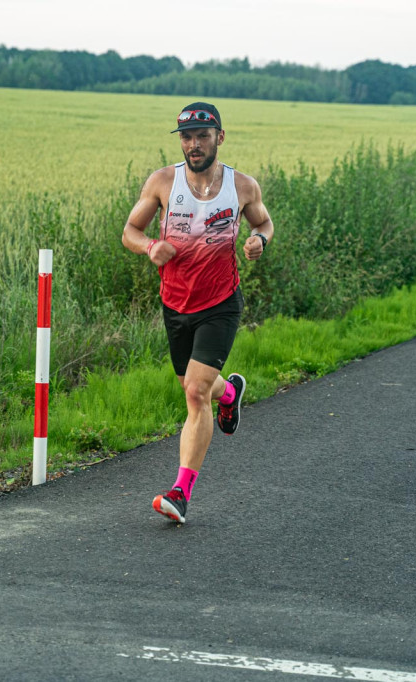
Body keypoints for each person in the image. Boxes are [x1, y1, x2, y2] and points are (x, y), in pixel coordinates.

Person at [122, 102, 274, 524]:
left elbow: (264, 223)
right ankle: (230, 393)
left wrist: (260, 240)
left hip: (221, 302)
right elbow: (130, 231)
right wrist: (150, 246)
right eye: (187, 137)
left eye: (202, 135)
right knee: (194, 386)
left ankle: (181, 492)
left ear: (219, 137)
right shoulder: (163, 182)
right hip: (175, 303)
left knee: (193, 392)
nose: (194, 144)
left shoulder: (242, 186)